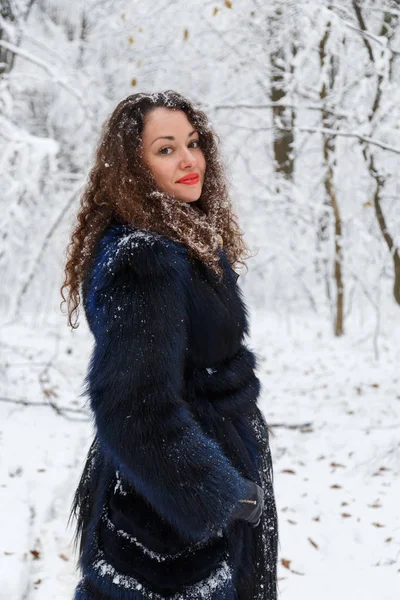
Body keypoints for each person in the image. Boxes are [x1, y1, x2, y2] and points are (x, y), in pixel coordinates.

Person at [61, 90, 278, 600]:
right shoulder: (146, 262)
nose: (188, 160)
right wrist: (217, 496)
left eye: (193, 142)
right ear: (132, 167)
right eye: (165, 149)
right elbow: (131, 405)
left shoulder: (180, 238)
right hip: (168, 520)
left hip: (193, 484)